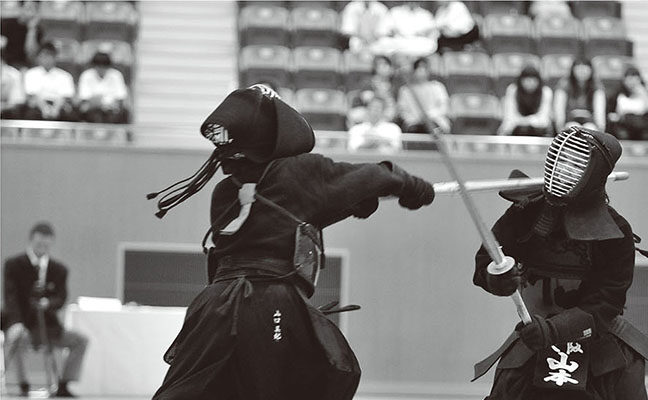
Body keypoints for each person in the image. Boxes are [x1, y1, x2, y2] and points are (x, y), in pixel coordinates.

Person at [149, 84, 435, 399]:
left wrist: (354, 203)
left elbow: (283, 218)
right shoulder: (299, 171)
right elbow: (371, 177)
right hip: (267, 302)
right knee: (309, 381)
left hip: (214, 307)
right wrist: (410, 186)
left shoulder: (225, 190)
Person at [471, 127, 648, 399]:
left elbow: (607, 302)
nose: (565, 168)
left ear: (592, 174)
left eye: (576, 163)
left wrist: (555, 331)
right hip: (533, 334)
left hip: (598, 340)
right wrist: (497, 277)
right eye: (562, 160)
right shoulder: (524, 212)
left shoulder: (616, 232)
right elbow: (488, 257)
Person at [2, 222, 89, 398]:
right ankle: (23, 384)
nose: (42, 247)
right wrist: (17, 323)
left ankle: (64, 384)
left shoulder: (59, 269)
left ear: (51, 243)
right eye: (39, 243)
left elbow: (61, 297)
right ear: (32, 240)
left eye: (46, 244)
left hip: (47, 325)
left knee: (80, 340)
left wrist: (48, 303)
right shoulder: (13, 264)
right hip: (20, 321)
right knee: (17, 337)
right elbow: (11, 298)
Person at [23, 42, 77, 121]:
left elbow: (65, 97)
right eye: (44, 56)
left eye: (50, 56)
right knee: (30, 114)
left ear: (55, 57)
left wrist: (55, 109)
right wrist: (44, 108)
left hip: (59, 105)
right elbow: (33, 95)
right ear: (38, 58)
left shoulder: (65, 76)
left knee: (71, 116)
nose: (47, 59)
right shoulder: (31, 74)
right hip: (38, 105)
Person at [397, 57, 450, 133]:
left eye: (424, 68)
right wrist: (417, 119)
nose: (422, 71)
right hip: (413, 124)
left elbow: (444, 107)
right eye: (419, 68)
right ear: (414, 71)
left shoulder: (437, 86)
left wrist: (430, 115)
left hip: (436, 122)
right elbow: (403, 111)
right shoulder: (405, 90)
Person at [498, 65, 553, 136]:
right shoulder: (512, 90)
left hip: (539, 131)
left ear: (539, 81)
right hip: (515, 131)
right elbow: (509, 118)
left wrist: (526, 122)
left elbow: (544, 120)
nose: (530, 83)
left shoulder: (546, 92)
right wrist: (527, 122)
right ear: (521, 80)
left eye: (533, 80)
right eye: (527, 80)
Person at [553, 58, 606, 132]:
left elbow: (599, 110)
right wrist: (560, 127)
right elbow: (559, 108)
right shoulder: (564, 84)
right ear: (573, 70)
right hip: (569, 120)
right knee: (573, 128)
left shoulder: (597, 86)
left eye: (585, 69)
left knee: (590, 129)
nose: (582, 71)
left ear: (591, 70)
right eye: (579, 69)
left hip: (590, 122)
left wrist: (600, 129)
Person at [77, 51, 129, 123]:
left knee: (123, 113)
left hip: (112, 111)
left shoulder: (116, 75)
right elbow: (85, 100)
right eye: (98, 66)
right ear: (94, 66)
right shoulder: (86, 75)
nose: (101, 69)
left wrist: (104, 103)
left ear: (108, 66)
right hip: (92, 110)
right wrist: (103, 104)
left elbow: (120, 98)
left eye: (104, 66)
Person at [608, 66, 648, 141]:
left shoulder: (645, 95)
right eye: (630, 79)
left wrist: (643, 92)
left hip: (641, 128)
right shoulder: (617, 95)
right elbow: (610, 113)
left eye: (635, 79)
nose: (632, 82)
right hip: (623, 127)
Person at [347, 55, 397, 127]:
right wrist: (381, 94)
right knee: (353, 115)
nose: (383, 67)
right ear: (375, 67)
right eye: (380, 64)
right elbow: (367, 99)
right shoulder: (368, 82)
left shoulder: (394, 85)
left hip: (386, 111)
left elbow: (394, 104)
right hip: (368, 109)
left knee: (390, 113)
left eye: (386, 64)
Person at [0, 0, 44, 69]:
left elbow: (31, 55)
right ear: (21, 8)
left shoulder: (37, 30)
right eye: (29, 8)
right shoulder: (6, 24)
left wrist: (31, 29)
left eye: (35, 8)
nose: (31, 11)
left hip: (25, 67)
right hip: (5, 65)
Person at [1, 36, 26, 119]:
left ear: (2, 60)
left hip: (7, 112)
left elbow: (17, 100)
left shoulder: (14, 74)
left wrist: (3, 107)